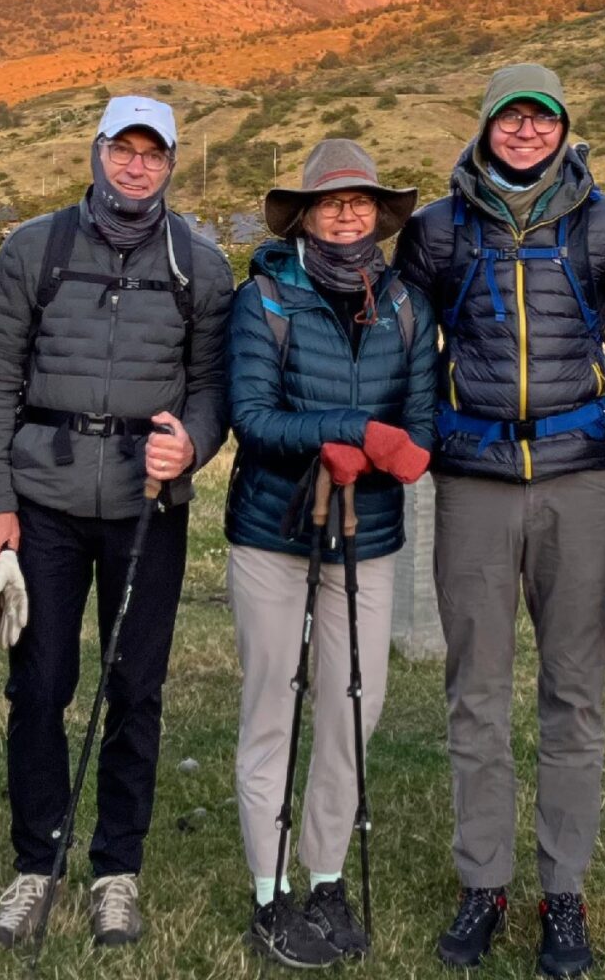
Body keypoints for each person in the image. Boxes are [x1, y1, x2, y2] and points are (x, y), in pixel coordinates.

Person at [394, 63, 605, 977]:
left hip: (578, 479)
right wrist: (425, 437)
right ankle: (484, 881)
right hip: (473, 479)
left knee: (574, 693)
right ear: (484, 127)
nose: (523, 132)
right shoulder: (437, 229)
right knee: (476, 690)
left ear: (562, 127)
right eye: (508, 117)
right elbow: (405, 345)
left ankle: (564, 891)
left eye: (539, 118)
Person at [0, 94, 233, 951]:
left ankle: (116, 869)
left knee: (136, 690)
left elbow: (212, 388)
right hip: (42, 502)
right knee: (39, 685)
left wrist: (191, 445)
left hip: (146, 508)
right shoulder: (32, 248)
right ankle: (35, 866)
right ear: (97, 153)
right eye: (122, 149)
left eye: (152, 154)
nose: (135, 166)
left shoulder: (200, 261)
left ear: (169, 164)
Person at [223, 140, 439, 968]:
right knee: (272, 710)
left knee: (355, 711)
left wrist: (384, 446)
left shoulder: (409, 307)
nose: (348, 214)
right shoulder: (266, 300)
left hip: (368, 540)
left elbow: (417, 429)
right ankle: (270, 891)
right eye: (330, 202)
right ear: (305, 214)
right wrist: (352, 434)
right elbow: (255, 419)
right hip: (273, 536)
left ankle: (325, 875)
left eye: (361, 203)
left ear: (380, 216)